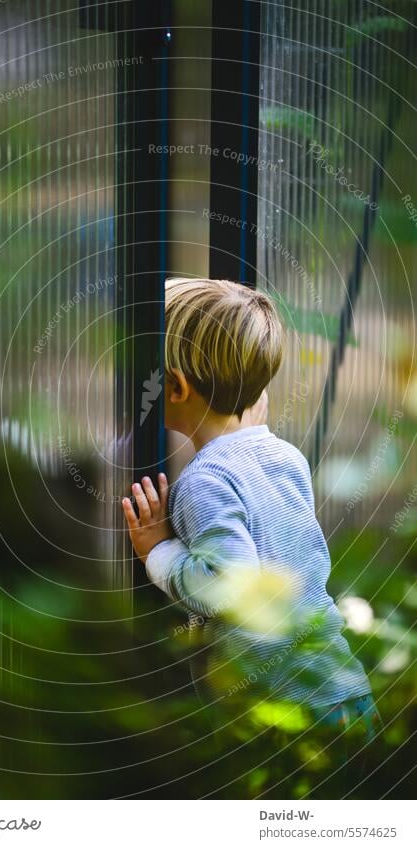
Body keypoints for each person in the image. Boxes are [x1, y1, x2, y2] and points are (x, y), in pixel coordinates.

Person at [122, 277, 381, 797]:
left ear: (174, 387)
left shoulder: (203, 481)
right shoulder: (284, 458)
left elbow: (230, 585)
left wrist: (158, 551)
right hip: (342, 686)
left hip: (290, 711)